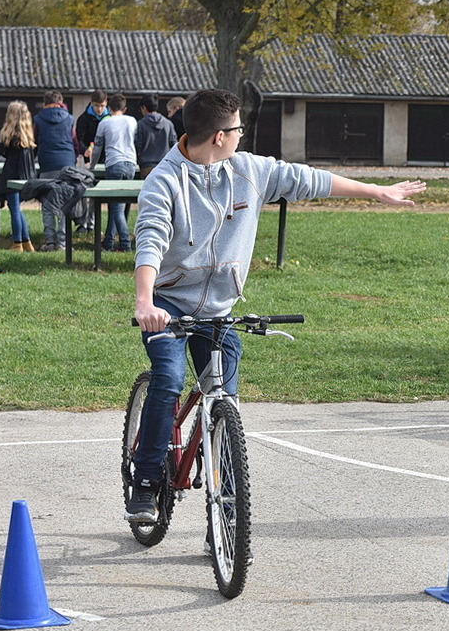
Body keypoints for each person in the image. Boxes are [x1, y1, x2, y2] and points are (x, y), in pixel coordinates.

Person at [126, 88, 427, 522]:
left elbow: (310, 180)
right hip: (168, 303)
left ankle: (227, 504)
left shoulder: (249, 170)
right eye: (237, 130)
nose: (242, 136)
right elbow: (150, 241)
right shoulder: (165, 181)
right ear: (218, 137)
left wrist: (375, 191)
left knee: (223, 399)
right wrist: (144, 302)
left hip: (220, 309)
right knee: (169, 380)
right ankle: (147, 478)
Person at [33, 91, 78, 251]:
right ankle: (63, 243)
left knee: (47, 204)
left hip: (47, 164)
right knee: (64, 205)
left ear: (45, 103)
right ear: (61, 102)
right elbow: (74, 142)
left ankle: (50, 241)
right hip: (66, 164)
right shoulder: (69, 119)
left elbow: (35, 141)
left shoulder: (38, 119)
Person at [94, 94, 139, 252]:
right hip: (131, 165)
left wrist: (92, 165)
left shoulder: (105, 123)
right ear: (124, 108)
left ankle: (125, 243)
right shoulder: (132, 121)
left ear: (109, 108)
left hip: (114, 163)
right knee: (119, 207)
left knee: (116, 208)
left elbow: (98, 147)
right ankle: (108, 241)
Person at [0, 101, 37, 251]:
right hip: (26, 176)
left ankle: (17, 243)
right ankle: (27, 243)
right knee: (18, 209)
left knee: (14, 210)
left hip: (12, 176)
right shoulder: (27, 135)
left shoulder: (10, 135)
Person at [135, 95, 178, 179]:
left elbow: (138, 145)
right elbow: (174, 145)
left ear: (143, 108)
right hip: (165, 166)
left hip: (146, 166)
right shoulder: (168, 124)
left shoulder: (141, 124)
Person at [76, 89, 109, 167]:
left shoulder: (110, 119)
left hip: (107, 159)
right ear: (91, 103)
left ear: (106, 103)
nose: (99, 109)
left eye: (102, 106)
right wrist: (84, 150)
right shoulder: (83, 119)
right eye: (96, 105)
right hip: (89, 159)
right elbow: (79, 140)